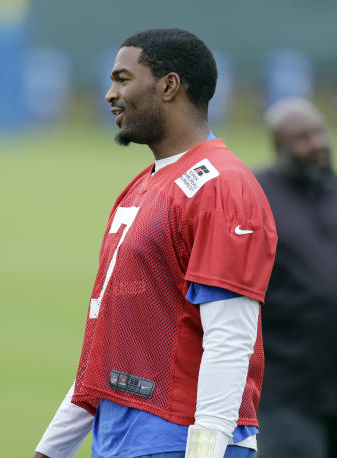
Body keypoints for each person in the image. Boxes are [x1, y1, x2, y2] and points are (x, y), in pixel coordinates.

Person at [34, 28, 277, 458]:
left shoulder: (223, 187)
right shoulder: (142, 187)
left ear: (168, 85)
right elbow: (107, 349)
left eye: (123, 79)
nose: (110, 94)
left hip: (178, 439)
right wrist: (50, 450)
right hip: (120, 437)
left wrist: (205, 451)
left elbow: (230, 338)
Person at [255, 98, 337, 458]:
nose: (318, 144)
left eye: (320, 132)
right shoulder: (255, 196)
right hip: (286, 389)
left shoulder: (333, 189)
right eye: (303, 138)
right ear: (279, 147)